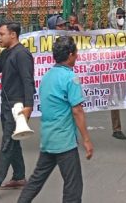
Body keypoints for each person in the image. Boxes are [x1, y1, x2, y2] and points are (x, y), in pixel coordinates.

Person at [17, 36, 94, 203]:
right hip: (64, 140)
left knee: (37, 179)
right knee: (73, 186)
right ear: (71, 54)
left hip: (48, 137)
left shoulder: (47, 76)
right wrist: (86, 139)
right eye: (76, 53)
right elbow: (77, 110)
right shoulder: (70, 78)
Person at [0, 21, 35, 200]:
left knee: (7, 142)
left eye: (1, 34)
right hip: (7, 103)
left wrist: (28, 106)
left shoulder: (22, 54)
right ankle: (19, 176)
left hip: (18, 105)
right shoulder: (6, 52)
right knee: (13, 140)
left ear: (13, 35)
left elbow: (27, 80)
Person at [107, 7, 126, 140]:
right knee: (114, 99)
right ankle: (117, 128)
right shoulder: (106, 34)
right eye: (118, 16)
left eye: (122, 16)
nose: (121, 19)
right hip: (112, 70)